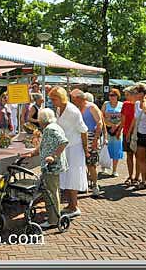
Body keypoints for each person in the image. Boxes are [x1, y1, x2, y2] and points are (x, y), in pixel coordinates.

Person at [21, 108, 69, 229]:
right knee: (52, 191)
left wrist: (53, 156)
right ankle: (54, 215)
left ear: (42, 120)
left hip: (51, 166)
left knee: (50, 192)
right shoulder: (53, 127)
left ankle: (53, 220)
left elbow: (63, 142)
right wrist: (32, 154)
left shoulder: (50, 129)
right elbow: (44, 146)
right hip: (53, 166)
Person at [49, 86, 88, 218]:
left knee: (73, 177)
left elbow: (84, 131)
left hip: (75, 148)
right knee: (66, 176)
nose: (52, 102)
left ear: (60, 98)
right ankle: (71, 205)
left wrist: (86, 149)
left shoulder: (73, 111)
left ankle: (74, 206)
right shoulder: (60, 109)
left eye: (53, 99)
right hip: (66, 147)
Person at [71, 89, 103, 197]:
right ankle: (82, 185)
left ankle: (95, 185)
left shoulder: (92, 107)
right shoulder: (76, 109)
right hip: (78, 138)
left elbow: (99, 123)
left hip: (90, 137)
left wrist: (95, 139)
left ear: (79, 98)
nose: (73, 101)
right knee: (79, 163)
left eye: (74, 99)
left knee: (91, 164)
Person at [102, 89, 124, 178]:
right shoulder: (105, 104)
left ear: (117, 96)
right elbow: (101, 116)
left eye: (114, 95)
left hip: (118, 130)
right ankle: (104, 166)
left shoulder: (121, 105)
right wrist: (110, 125)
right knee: (105, 149)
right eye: (110, 95)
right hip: (107, 129)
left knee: (116, 150)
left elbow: (123, 117)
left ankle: (114, 170)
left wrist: (116, 126)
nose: (112, 97)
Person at [121, 87, 139, 186]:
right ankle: (130, 176)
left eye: (127, 94)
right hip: (127, 131)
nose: (126, 96)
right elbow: (123, 120)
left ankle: (137, 177)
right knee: (129, 155)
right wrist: (121, 130)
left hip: (136, 132)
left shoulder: (139, 105)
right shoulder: (125, 104)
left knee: (138, 156)